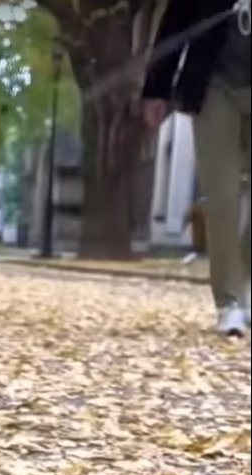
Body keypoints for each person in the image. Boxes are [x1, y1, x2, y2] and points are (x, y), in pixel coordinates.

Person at [143, 0, 251, 337]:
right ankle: (230, 302)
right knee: (223, 198)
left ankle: (243, 283)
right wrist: (156, 89)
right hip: (214, 87)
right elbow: (175, 23)